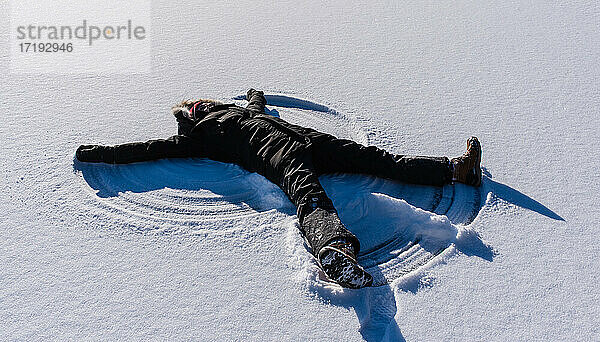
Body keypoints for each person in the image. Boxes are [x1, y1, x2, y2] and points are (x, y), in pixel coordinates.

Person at [76, 89, 482, 288]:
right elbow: (148, 150)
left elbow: (255, 102)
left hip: (310, 139)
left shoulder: (234, 111)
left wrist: (254, 93)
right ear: (190, 114)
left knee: (377, 159)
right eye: (196, 104)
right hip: (278, 156)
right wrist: (100, 152)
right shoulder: (197, 138)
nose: (204, 101)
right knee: (308, 194)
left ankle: (453, 171)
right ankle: (335, 250)